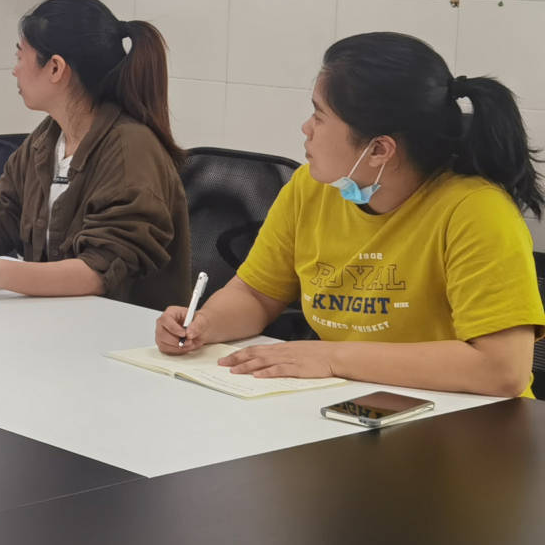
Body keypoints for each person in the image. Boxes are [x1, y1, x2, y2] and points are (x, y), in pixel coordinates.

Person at [154, 32, 543, 398]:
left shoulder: (475, 211)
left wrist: (330, 357)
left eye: (319, 116)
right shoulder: (312, 187)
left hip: (473, 430)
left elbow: (503, 369)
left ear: (379, 150)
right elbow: (257, 294)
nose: (306, 128)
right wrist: (205, 324)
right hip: (357, 406)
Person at [0, 0, 192, 306]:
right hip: (54, 323)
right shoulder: (46, 139)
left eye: (21, 57)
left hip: (116, 334)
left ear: (55, 68)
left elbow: (100, 270)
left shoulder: (130, 149)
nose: (15, 71)